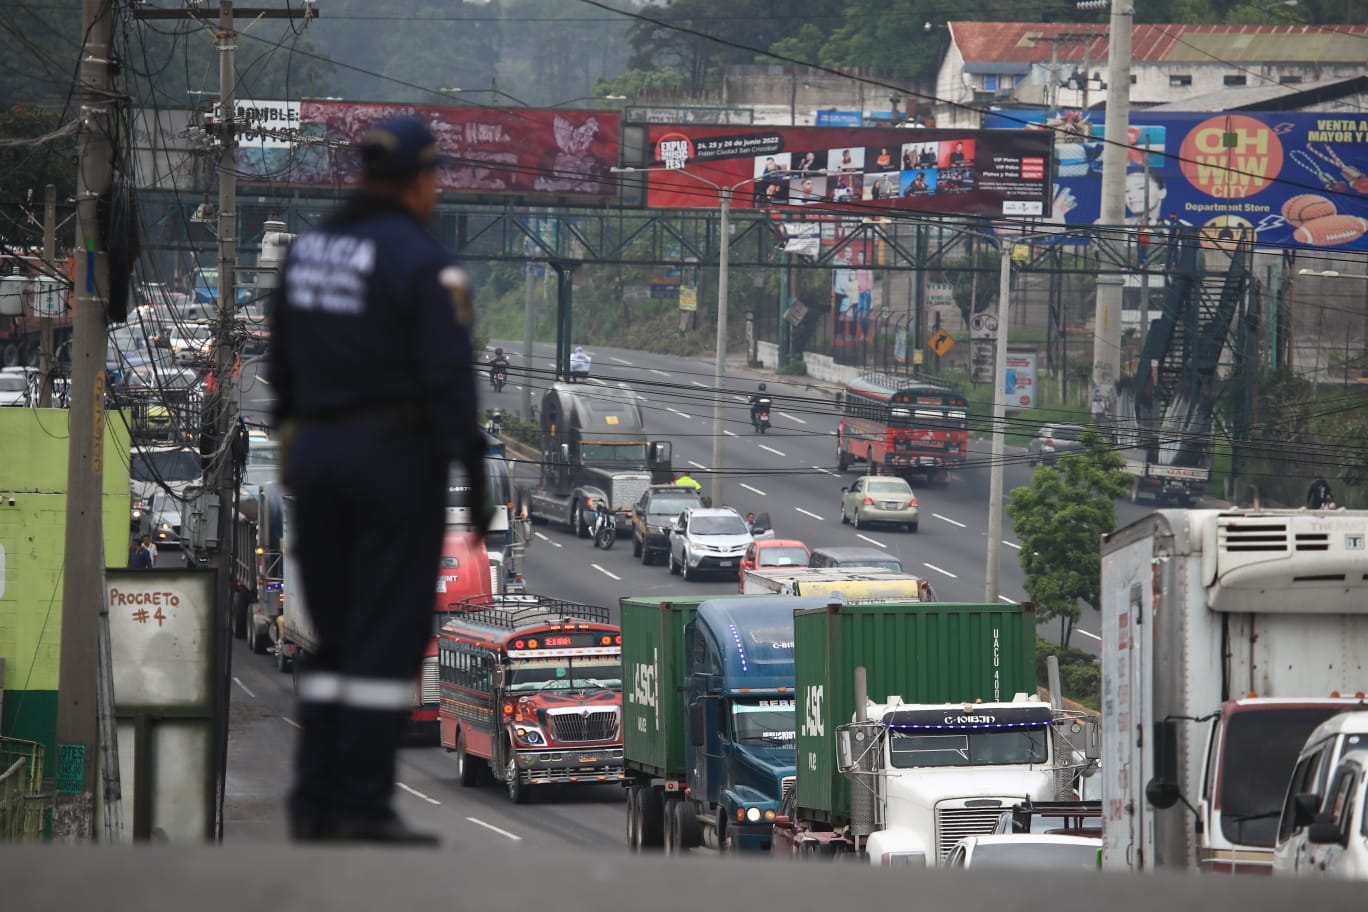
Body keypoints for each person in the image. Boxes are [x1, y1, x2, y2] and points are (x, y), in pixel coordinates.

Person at [270, 115, 487, 846]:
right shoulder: (423, 263)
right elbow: (450, 380)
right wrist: (474, 473)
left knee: (332, 638)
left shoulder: (307, 253)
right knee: (388, 640)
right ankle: (361, 803)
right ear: (423, 181)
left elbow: (279, 368)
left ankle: (314, 797)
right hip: (392, 467)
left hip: (316, 463)